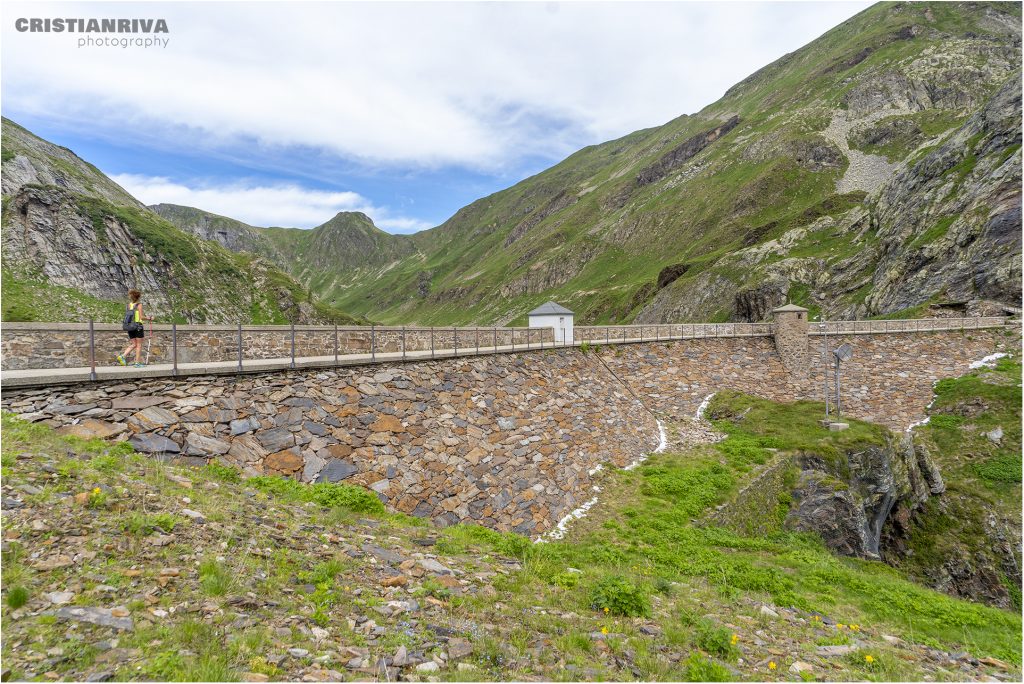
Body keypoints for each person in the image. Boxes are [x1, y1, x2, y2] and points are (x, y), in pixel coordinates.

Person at [116, 289, 152, 367]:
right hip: (138, 326)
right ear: (138, 297)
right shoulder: (139, 305)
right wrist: (149, 318)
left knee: (134, 344)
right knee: (139, 345)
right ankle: (137, 363)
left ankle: (123, 356)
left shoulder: (128, 305)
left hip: (129, 326)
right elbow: (141, 317)